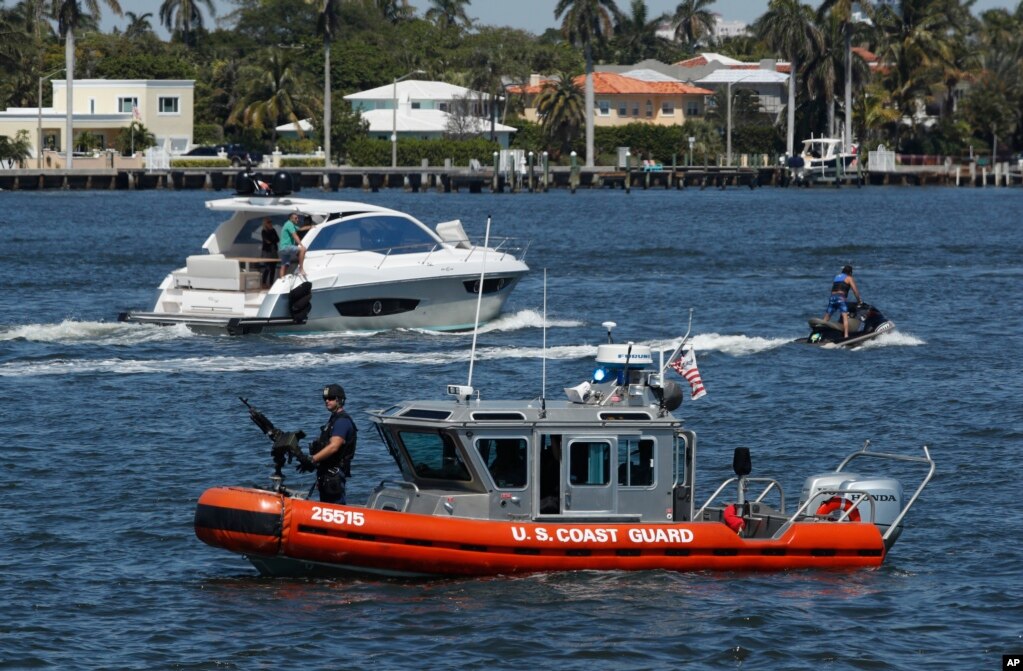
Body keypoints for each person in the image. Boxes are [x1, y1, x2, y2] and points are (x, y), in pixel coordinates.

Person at [297, 384, 357, 504]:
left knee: (334, 509)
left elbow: (334, 446)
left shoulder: (342, 421)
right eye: (325, 399)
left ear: (339, 399)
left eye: (330, 398)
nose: (327, 401)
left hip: (334, 475)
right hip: (325, 474)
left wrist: (312, 459)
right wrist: (310, 462)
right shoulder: (333, 420)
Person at [822, 265, 863, 338]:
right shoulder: (849, 278)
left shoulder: (836, 277)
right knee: (845, 316)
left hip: (832, 298)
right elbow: (855, 291)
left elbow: (834, 288)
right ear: (850, 272)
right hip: (840, 298)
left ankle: (819, 333)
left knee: (827, 316)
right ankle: (846, 336)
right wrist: (859, 301)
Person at [277, 212, 306, 278]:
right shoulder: (289, 224)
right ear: (291, 218)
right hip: (286, 247)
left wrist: (311, 226)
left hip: (282, 249)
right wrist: (301, 245)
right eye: (296, 218)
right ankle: (301, 269)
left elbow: (301, 229)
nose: (297, 219)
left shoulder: (289, 224)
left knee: (284, 265)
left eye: (297, 218)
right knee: (302, 249)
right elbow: (295, 235)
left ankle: (282, 279)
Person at [259, 217, 279, 289]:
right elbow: (267, 241)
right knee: (267, 268)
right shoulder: (263, 231)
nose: (270, 223)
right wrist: (272, 239)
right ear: (265, 223)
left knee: (273, 268)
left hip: (274, 251)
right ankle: (264, 283)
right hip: (267, 252)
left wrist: (272, 239)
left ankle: (271, 284)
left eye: (271, 222)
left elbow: (277, 239)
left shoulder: (273, 230)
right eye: (268, 222)